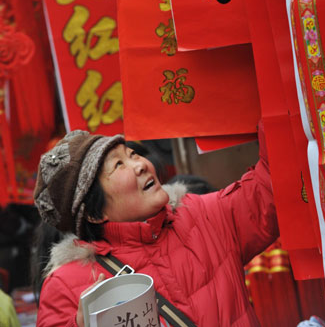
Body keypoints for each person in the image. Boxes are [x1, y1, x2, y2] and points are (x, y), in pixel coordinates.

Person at [34, 122, 279, 327]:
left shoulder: (202, 215)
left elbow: (271, 185)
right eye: (118, 165)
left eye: (132, 155)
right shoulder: (65, 287)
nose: (140, 165)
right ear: (94, 215)